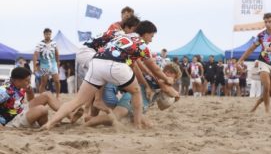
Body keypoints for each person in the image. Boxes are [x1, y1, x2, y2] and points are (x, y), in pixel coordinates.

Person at [42, 21, 174, 130]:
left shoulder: (119, 36)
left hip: (96, 63)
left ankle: (50, 123)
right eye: (151, 36)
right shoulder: (142, 45)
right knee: (136, 91)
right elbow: (155, 68)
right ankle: (137, 125)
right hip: (115, 66)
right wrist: (165, 78)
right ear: (145, 34)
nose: (151, 40)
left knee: (77, 101)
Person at [84, 63, 181, 128]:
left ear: (175, 78)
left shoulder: (163, 85)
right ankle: (86, 125)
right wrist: (176, 94)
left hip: (140, 107)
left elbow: (161, 107)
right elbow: (167, 89)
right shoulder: (160, 79)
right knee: (116, 116)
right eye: (167, 71)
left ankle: (92, 119)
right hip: (131, 98)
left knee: (148, 125)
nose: (168, 73)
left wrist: (173, 100)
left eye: (171, 73)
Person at [33, 28, 60, 98]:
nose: (48, 35)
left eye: (49, 34)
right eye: (46, 34)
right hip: (44, 66)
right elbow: (35, 55)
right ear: (44, 35)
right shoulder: (39, 44)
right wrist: (34, 66)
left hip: (53, 65)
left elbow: (57, 53)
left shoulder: (54, 43)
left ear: (51, 34)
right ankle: (41, 96)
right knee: (43, 82)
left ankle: (58, 96)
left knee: (57, 81)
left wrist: (58, 62)